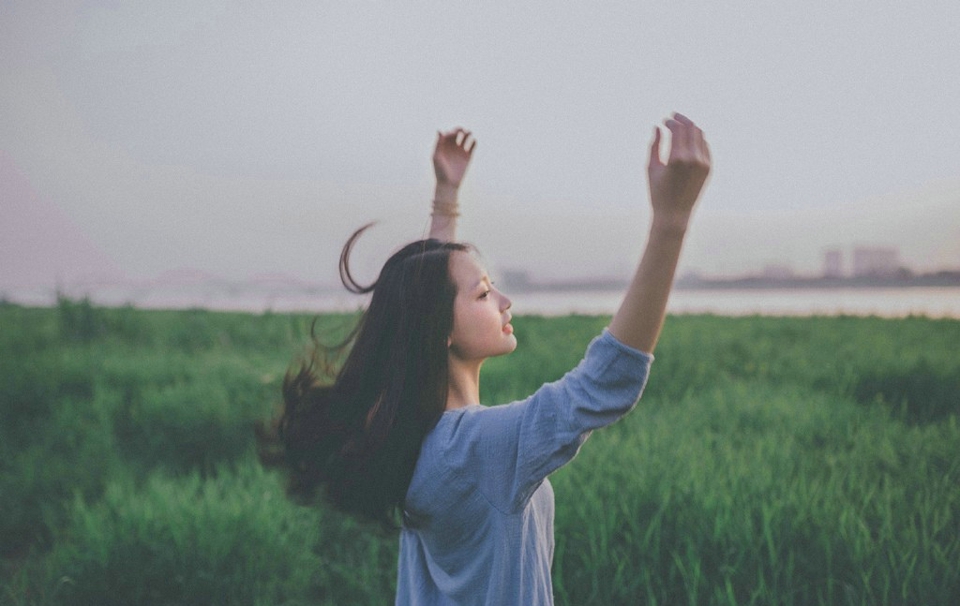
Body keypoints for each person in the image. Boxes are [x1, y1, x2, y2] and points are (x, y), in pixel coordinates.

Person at [259, 115, 711, 605]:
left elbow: (426, 292)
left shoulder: (410, 432)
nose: (504, 301)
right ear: (440, 330)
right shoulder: (482, 449)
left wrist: (446, 197)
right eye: (483, 293)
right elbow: (607, 382)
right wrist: (671, 223)